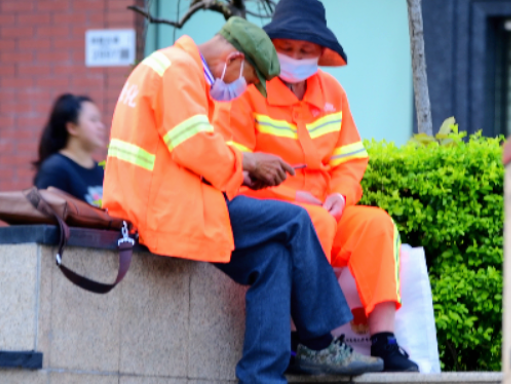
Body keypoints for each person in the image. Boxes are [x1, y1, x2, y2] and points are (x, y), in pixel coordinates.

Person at [101, 17, 383, 383]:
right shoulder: (178, 70)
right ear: (234, 58)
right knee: (295, 221)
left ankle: (261, 376)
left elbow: (190, 149)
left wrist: (244, 171)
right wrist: (248, 163)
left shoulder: (175, 67)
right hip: (169, 211)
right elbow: (196, 148)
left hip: (174, 205)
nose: (243, 89)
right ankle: (318, 343)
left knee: (273, 257)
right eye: (249, 80)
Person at [212, 0, 419, 372]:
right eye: (287, 48)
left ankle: (385, 343)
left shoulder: (333, 92)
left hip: (327, 207)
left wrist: (341, 195)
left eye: (305, 51)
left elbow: (350, 159)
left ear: (320, 54)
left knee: (377, 225)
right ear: (271, 47)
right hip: (271, 210)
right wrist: (293, 197)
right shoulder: (247, 89)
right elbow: (234, 164)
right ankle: (297, 343)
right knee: (313, 223)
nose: (295, 56)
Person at [33, 94, 106, 205]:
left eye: (100, 120)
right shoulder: (55, 170)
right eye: (93, 120)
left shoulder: (101, 171)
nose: (101, 126)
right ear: (72, 128)